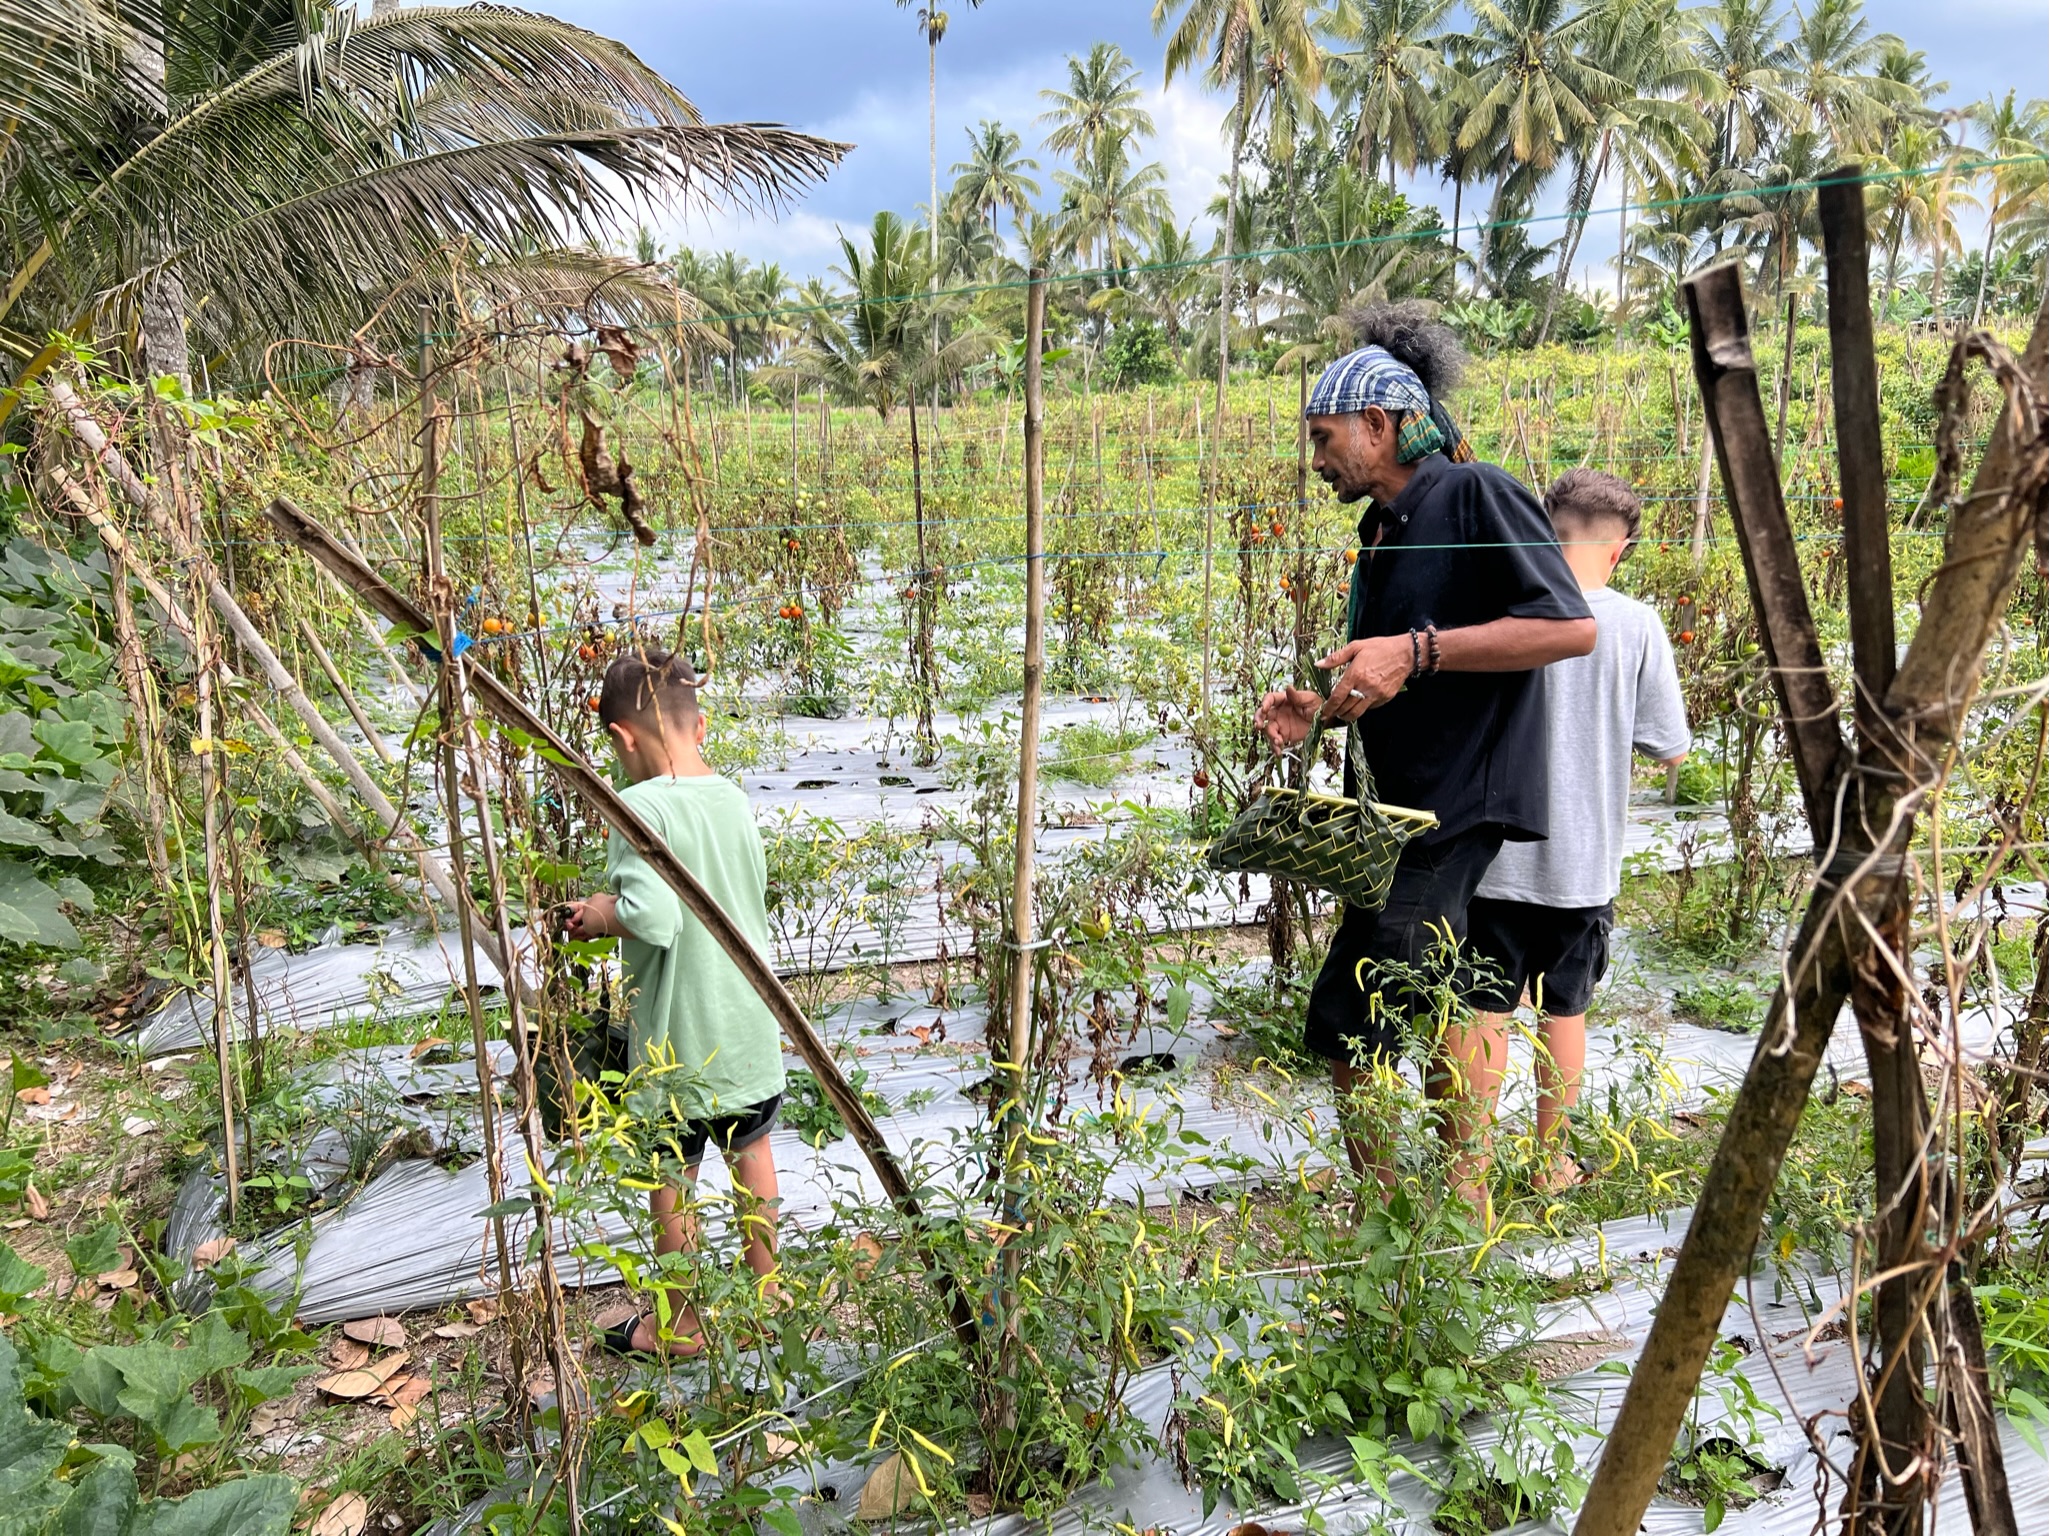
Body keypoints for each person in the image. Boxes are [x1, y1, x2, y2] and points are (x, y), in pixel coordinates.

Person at [1254, 303, 1596, 1195]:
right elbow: (1390, 674)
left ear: (1379, 424)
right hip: (1401, 806)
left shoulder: (1474, 491)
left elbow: (1567, 627)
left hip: (1455, 800)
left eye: (1326, 437)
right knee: (1436, 996)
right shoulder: (1381, 530)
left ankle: (1420, 1211)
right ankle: (1450, 1198)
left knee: (1353, 1014)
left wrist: (1415, 650)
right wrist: (1321, 710)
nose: (1317, 458)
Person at [1460, 470, 1690, 1197]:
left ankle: (1468, 1168)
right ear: (1617, 550)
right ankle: (1548, 1160)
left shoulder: (1504, 613)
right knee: (1566, 1008)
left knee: (1483, 1009)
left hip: (1493, 859)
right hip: (1582, 865)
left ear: (1541, 531)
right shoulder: (1637, 625)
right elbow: (1668, 745)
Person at [565, 647, 786, 1357]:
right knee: (750, 1148)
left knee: (673, 1172)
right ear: (700, 726)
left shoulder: (638, 806)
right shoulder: (731, 797)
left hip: (680, 1038)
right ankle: (766, 1293)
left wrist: (601, 915)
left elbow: (655, 921)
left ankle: (681, 1323)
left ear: (623, 738)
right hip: (748, 1022)